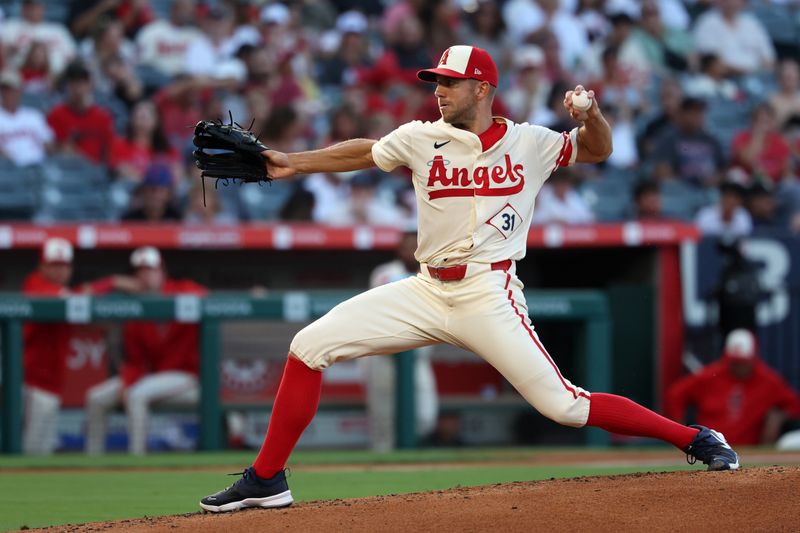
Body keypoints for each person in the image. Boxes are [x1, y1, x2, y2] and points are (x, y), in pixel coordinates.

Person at [199, 45, 740, 513]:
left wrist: (591, 113)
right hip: (426, 288)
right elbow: (364, 151)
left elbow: (597, 148)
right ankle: (267, 480)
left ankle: (695, 438)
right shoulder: (420, 137)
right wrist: (289, 162)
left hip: (489, 293)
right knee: (307, 346)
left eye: (449, 84)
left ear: (482, 89)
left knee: (565, 406)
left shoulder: (530, 142)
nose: (438, 91)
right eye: (435, 82)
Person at [85, 246, 207, 455]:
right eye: (140, 271)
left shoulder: (182, 290)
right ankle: (92, 462)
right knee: (95, 398)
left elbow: (211, 299)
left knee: (136, 395)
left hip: (187, 375)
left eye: (150, 270)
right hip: (152, 377)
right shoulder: (135, 310)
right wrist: (126, 381)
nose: (145, 276)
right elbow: (135, 360)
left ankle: (137, 459)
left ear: (162, 272)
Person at [22, 237, 138, 454]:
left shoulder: (61, 290)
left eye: (64, 265)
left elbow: (85, 315)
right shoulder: (34, 284)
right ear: (42, 266)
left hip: (51, 383)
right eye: (54, 265)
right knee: (31, 450)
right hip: (31, 384)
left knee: (42, 449)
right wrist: (111, 282)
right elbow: (69, 299)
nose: (60, 270)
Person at [362, 230, 439, 452]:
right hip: (385, 356)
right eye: (408, 246)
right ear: (400, 250)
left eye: (417, 246)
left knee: (426, 418)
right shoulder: (385, 274)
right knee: (383, 421)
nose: (413, 251)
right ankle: (381, 474)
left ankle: (410, 465)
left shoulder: (435, 274)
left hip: (418, 357)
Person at [665, 329, 800, 446]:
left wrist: (778, 416)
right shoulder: (711, 375)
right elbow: (675, 394)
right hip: (709, 447)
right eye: (734, 362)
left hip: (749, 451)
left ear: (753, 358)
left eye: (742, 363)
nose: (738, 367)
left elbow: (795, 404)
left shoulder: (768, 380)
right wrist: (681, 430)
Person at [0, 69, 53, 167]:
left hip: (38, 168)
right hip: (8, 170)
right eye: (4, 89)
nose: (8, 93)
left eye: (12, 89)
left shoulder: (34, 116)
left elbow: (49, 144)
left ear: (20, 90)